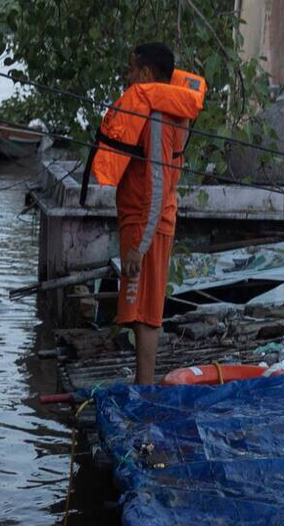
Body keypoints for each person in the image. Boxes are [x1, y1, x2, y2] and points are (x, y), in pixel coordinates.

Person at [89, 42, 207, 385]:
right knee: (140, 310)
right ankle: (143, 384)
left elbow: (157, 186)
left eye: (130, 71)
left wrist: (138, 248)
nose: (127, 78)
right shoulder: (164, 108)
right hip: (144, 221)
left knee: (146, 314)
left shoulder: (157, 116)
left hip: (148, 225)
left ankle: (144, 387)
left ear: (145, 73)